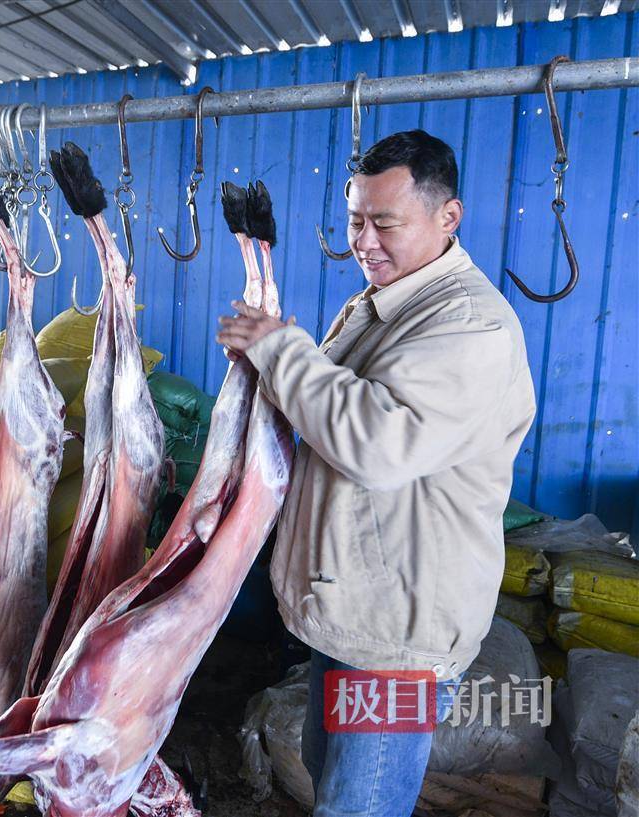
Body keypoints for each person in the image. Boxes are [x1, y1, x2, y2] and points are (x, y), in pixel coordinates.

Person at [218, 130, 536, 815]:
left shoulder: (470, 326)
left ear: (447, 217)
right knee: (327, 772)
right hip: (353, 614)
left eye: (384, 222)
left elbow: (375, 440)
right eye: (356, 219)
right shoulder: (379, 304)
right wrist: (268, 363)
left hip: (398, 638)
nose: (364, 240)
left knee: (358, 806)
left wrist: (282, 352)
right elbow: (323, 406)